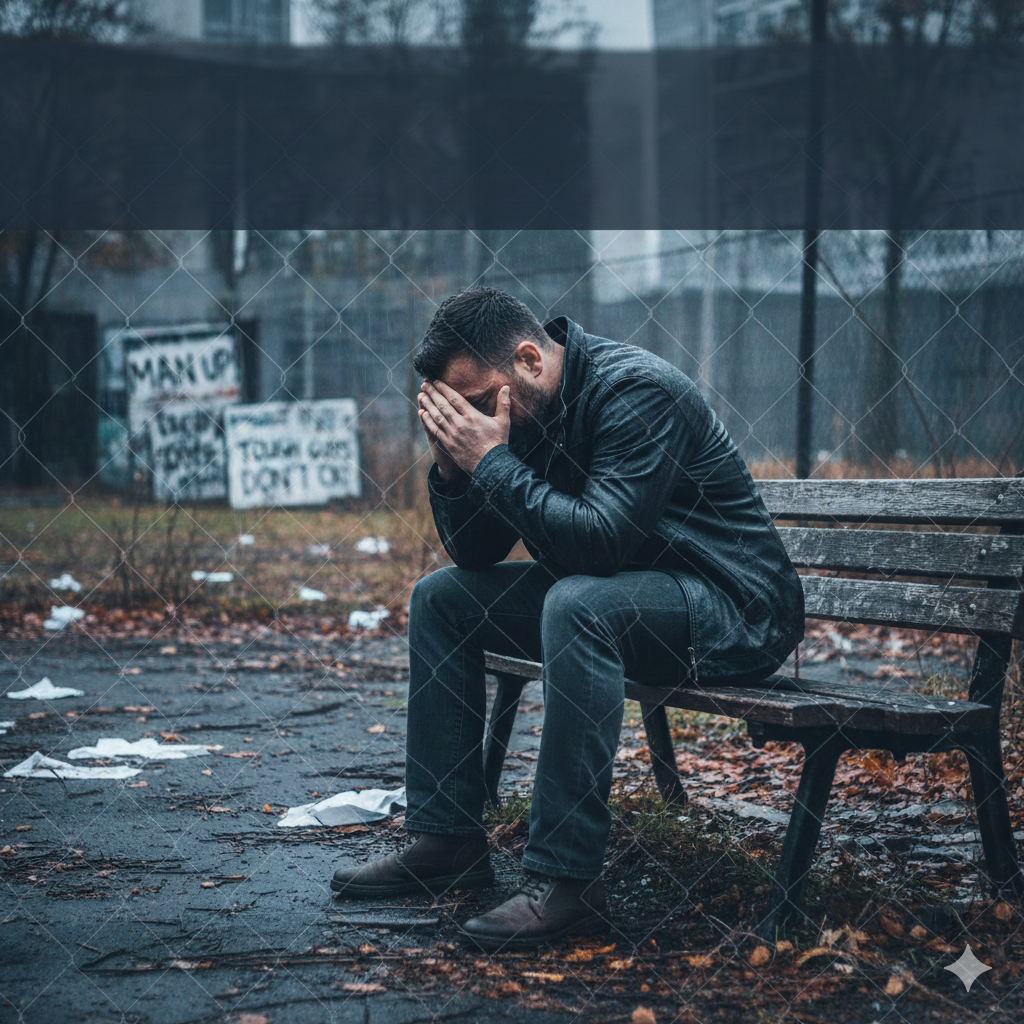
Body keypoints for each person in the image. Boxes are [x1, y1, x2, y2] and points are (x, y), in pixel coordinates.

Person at [331, 286, 804, 952]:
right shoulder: (518, 409)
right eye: (450, 411)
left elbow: (599, 543)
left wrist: (489, 461)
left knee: (576, 602)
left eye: (470, 404)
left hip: (730, 607)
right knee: (443, 599)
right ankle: (447, 839)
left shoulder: (638, 393)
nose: (468, 420)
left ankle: (567, 884)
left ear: (528, 359)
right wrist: (452, 465)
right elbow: (474, 552)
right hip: (625, 601)